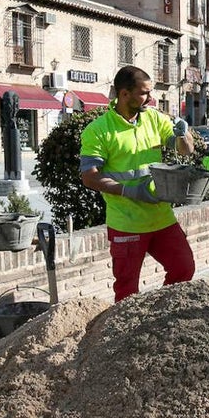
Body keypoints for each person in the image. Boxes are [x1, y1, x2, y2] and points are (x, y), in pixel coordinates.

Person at [80, 65, 196, 302]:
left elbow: (185, 151)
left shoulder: (153, 118)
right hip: (126, 222)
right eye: (144, 93)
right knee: (126, 290)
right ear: (124, 94)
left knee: (184, 268)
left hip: (161, 217)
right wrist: (128, 190)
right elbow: (89, 176)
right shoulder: (99, 130)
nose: (151, 98)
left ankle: (160, 315)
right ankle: (127, 335)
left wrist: (184, 135)